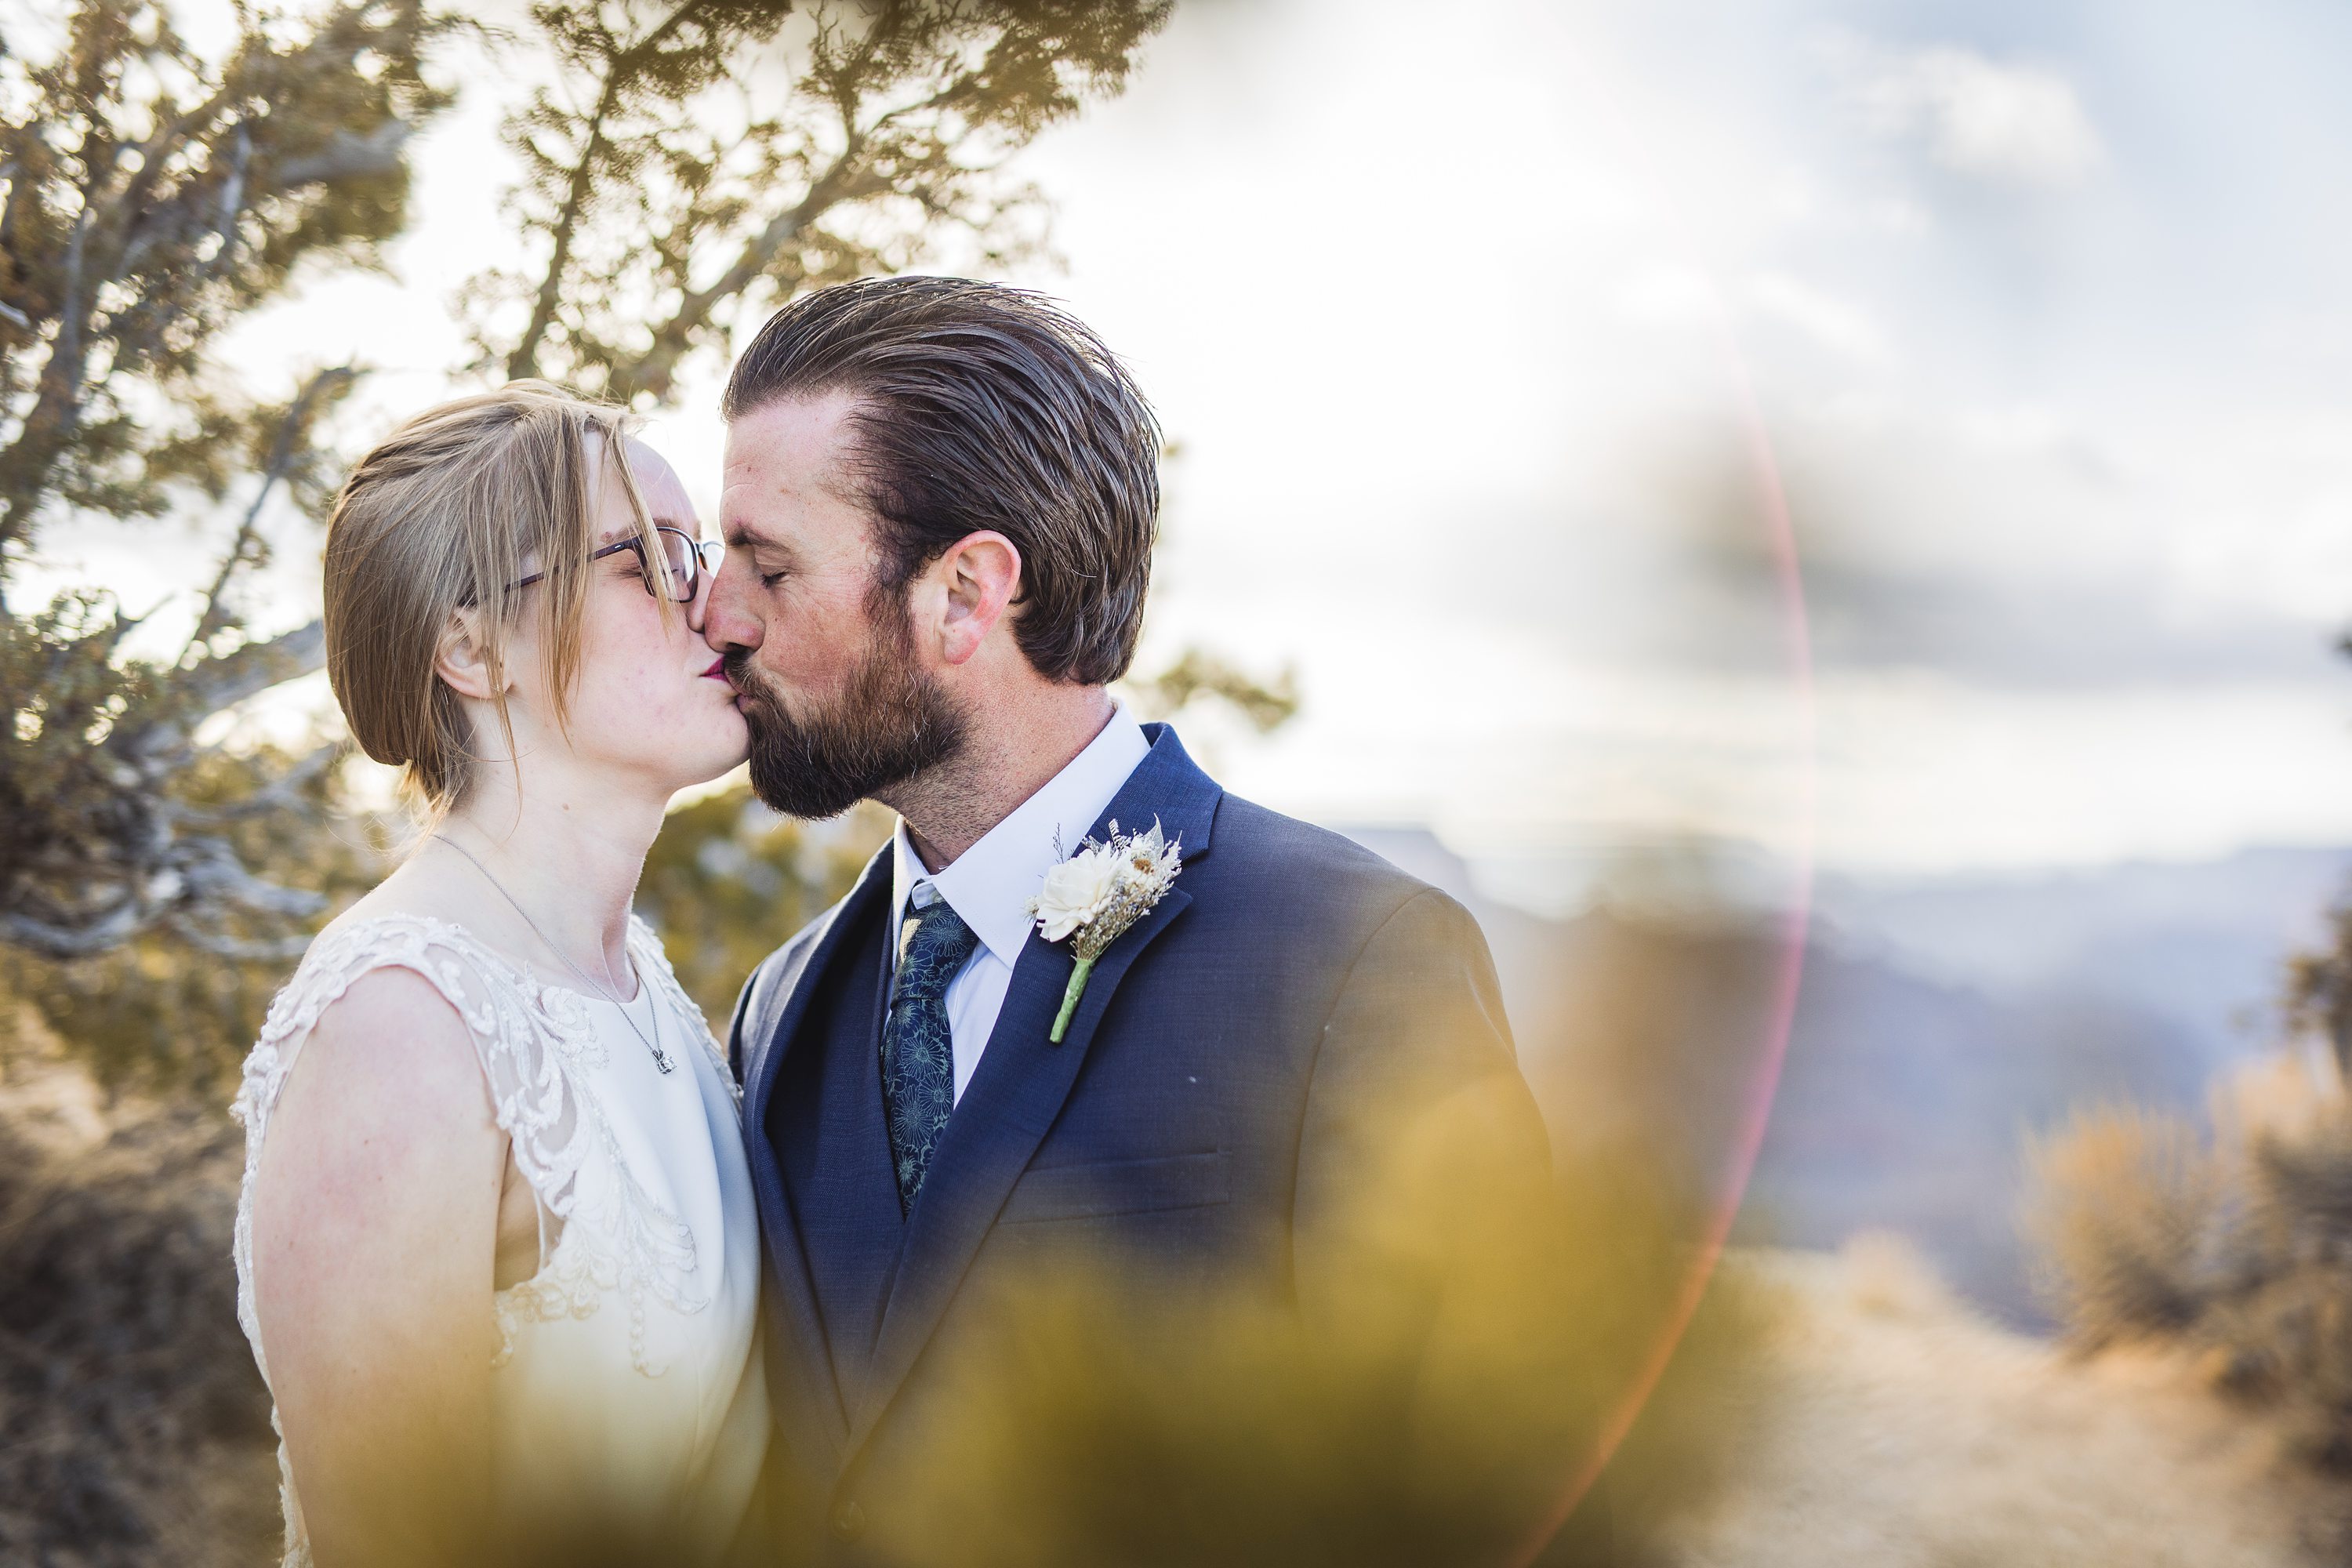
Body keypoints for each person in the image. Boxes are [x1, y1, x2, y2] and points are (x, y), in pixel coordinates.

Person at [710, 277, 1558, 1563]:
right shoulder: (780, 1007)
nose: (720, 616)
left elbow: (1487, 1484)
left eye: (768, 565)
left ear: (964, 595)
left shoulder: (1359, 963)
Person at [230, 385, 766, 1568]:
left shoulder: (649, 994)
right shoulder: (398, 1023)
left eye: (707, 552)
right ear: (471, 644)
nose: (718, 601)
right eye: (651, 560)